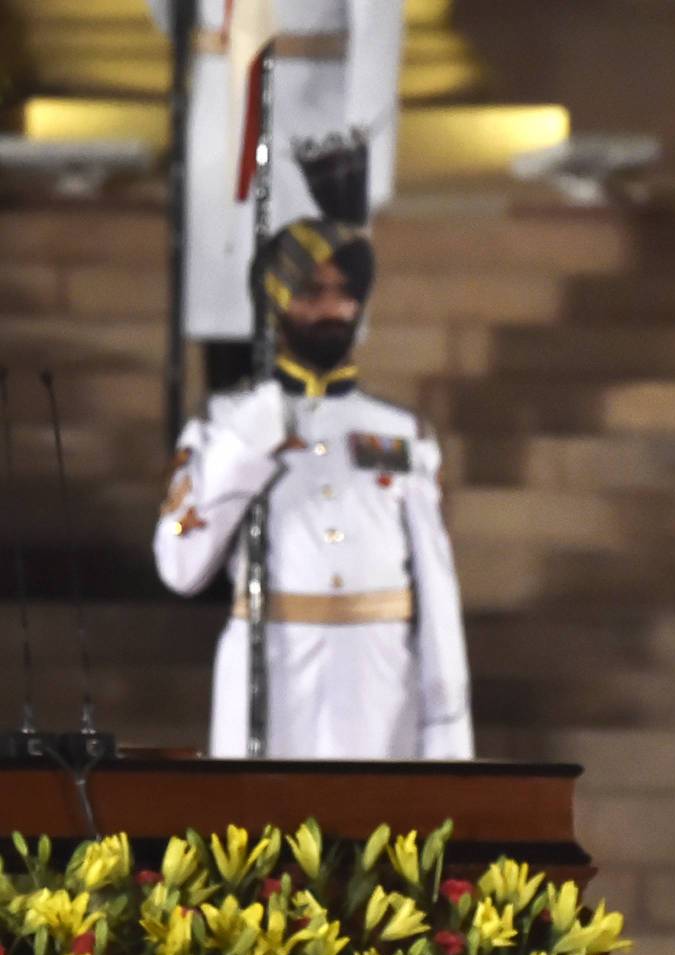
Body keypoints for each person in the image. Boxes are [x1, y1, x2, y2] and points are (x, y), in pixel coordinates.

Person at [153, 217, 474, 759]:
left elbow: (437, 589)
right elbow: (179, 566)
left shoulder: (403, 433)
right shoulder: (224, 423)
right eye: (311, 292)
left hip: (380, 681)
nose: (331, 308)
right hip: (269, 667)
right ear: (276, 304)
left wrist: (447, 720)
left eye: (344, 293)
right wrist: (244, 448)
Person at [145, 0, 405, 385]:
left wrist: (366, 168)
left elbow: (377, 33)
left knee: (307, 317)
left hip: (312, 118)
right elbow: (171, 15)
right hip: (221, 105)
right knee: (227, 328)